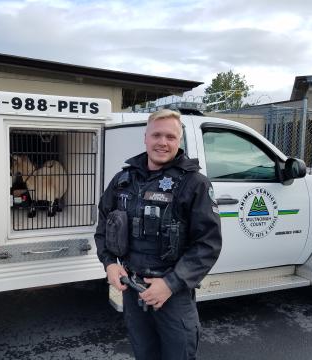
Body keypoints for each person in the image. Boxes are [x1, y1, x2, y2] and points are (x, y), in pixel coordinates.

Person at [95, 109, 222, 360]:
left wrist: (170, 284)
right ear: (145, 137)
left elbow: (208, 244)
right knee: (144, 354)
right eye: (156, 135)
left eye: (170, 137)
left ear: (179, 141)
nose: (162, 142)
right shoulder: (123, 180)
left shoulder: (195, 184)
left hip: (172, 295)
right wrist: (110, 264)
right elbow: (103, 227)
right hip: (132, 289)